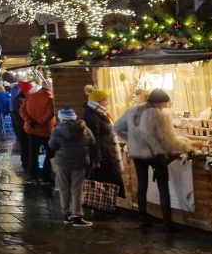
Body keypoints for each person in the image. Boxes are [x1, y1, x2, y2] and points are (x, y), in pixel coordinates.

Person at [114, 88, 191, 231]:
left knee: (142, 186)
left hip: (137, 154)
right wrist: (186, 145)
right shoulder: (160, 115)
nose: (165, 106)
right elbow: (169, 141)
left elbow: (117, 128)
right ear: (161, 103)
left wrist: (131, 141)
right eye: (165, 103)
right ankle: (168, 222)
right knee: (163, 187)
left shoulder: (132, 111)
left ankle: (143, 219)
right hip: (155, 155)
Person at [47, 108, 97, 227]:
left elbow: (52, 146)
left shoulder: (57, 130)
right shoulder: (85, 129)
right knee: (77, 189)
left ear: (62, 118)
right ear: (74, 117)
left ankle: (67, 215)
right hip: (80, 162)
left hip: (63, 162)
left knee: (64, 188)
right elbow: (93, 143)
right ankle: (77, 216)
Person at [83, 88, 125, 199]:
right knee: (105, 182)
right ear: (98, 102)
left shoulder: (101, 114)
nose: (107, 102)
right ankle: (106, 207)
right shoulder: (92, 116)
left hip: (107, 152)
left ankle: (113, 205)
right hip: (103, 155)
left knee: (111, 180)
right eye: (105, 100)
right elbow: (93, 139)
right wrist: (97, 159)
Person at [21, 80, 56, 183]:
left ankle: (33, 173)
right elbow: (49, 114)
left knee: (33, 151)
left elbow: (22, 110)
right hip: (46, 131)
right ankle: (46, 174)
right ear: (49, 86)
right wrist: (39, 123)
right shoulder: (50, 99)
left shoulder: (30, 96)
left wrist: (30, 121)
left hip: (30, 129)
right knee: (50, 152)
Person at [12, 81, 32, 174]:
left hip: (24, 124)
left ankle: (28, 163)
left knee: (27, 145)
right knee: (24, 145)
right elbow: (20, 114)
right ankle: (25, 164)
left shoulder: (23, 98)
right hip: (22, 125)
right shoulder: (20, 99)